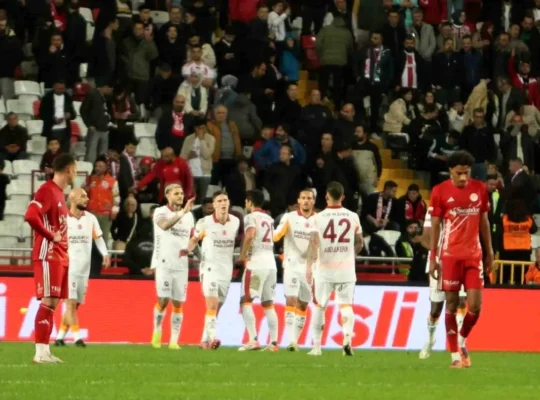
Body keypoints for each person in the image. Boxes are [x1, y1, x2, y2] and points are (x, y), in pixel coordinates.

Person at [429, 150, 494, 368]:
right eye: (459, 173)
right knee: (451, 304)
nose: (464, 177)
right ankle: (454, 355)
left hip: (474, 256)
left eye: (467, 172)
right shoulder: (439, 191)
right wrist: (433, 257)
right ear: (450, 171)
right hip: (450, 256)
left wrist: (490, 252)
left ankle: (462, 340)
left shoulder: (480, 189)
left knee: (475, 306)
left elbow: (484, 221)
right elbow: (436, 226)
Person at [24, 153, 77, 363]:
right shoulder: (47, 190)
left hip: (60, 256)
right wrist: (49, 235)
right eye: (75, 169)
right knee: (48, 302)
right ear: (69, 169)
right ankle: (39, 353)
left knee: (52, 304)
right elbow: (30, 215)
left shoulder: (59, 193)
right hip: (48, 254)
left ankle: (45, 352)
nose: (76, 173)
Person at [306, 181, 363, 356]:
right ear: (343, 197)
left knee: (319, 306)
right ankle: (347, 340)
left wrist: (309, 266)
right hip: (346, 269)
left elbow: (313, 244)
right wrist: (349, 255)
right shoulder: (353, 216)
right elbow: (360, 243)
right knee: (346, 305)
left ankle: (316, 347)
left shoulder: (317, 218)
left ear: (326, 196)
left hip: (324, 269)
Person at [55, 188, 110, 347]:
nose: (87, 199)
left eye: (87, 196)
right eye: (83, 196)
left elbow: (98, 238)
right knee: (70, 304)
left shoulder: (91, 218)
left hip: (84, 269)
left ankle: (59, 337)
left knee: (76, 305)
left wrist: (105, 253)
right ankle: (77, 338)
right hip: (68, 268)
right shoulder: (63, 219)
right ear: (72, 198)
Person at [185, 191, 240, 349]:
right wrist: (186, 251)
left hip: (226, 270)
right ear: (214, 205)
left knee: (216, 308)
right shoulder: (204, 222)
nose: (223, 203)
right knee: (212, 304)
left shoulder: (235, 221)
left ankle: (204, 341)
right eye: (219, 201)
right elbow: (194, 240)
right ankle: (213, 338)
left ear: (229, 203)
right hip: (209, 268)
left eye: (225, 200)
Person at [150, 184, 196, 350]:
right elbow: (164, 225)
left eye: (182, 193)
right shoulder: (160, 211)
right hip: (164, 262)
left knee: (178, 302)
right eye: (176, 193)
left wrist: (199, 255)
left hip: (181, 265)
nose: (180, 196)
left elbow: (193, 238)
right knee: (163, 300)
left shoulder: (189, 216)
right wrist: (182, 212)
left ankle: (174, 341)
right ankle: (157, 331)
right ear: (167, 195)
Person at [418, 206, 467, 360]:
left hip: (459, 260)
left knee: (461, 301)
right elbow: (425, 239)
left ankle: (459, 344)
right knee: (436, 309)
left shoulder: (465, 207)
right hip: (438, 261)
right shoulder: (433, 209)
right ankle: (430, 338)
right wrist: (441, 253)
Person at [273, 189, 316, 351]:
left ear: (313, 201)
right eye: (303, 198)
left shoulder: (319, 220)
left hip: (310, 267)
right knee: (291, 299)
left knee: (303, 305)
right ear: (298, 200)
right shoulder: (289, 218)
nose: (306, 201)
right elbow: (276, 236)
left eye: (309, 198)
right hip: (291, 264)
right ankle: (291, 340)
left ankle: (294, 341)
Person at [237, 189, 278, 352]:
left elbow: (250, 235)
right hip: (271, 264)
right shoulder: (269, 219)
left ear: (249, 201)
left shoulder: (250, 217)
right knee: (268, 304)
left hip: (256, 264)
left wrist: (242, 256)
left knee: (245, 300)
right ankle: (273, 343)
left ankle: (253, 340)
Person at [499, 199, 537, 284]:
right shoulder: (528, 219)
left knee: (505, 274)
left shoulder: (505, 219)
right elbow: (534, 230)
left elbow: (500, 229)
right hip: (524, 251)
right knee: (521, 275)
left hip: (508, 250)